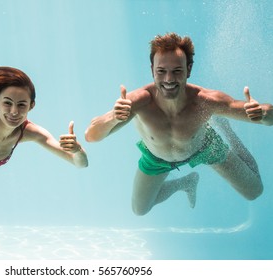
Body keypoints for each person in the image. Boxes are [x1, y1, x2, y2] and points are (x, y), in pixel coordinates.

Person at [85, 32, 272, 215]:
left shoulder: (206, 101)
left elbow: (267, 115)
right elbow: (91, 136)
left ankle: (228, 131)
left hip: (204, 147)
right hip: (157, 157)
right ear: (152, 70)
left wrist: (263, 114)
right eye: (161, 71)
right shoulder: (138, 101)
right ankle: (185, 183)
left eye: (177, 71)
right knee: (140, 210)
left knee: (254, 191)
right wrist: (113, 118)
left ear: (189, 69)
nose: (169, 79)